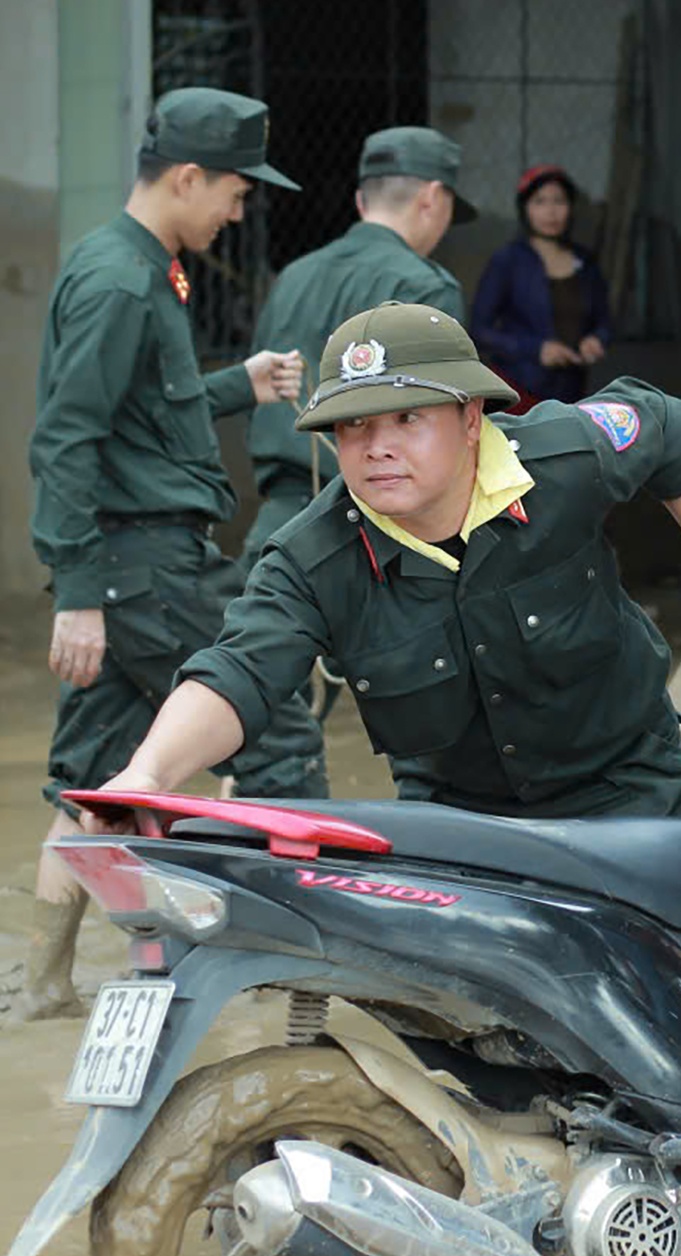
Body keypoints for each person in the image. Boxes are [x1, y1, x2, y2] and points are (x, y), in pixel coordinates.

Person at [78, 301, 681, 1117]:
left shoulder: (562, 453)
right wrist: (147, 773)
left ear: (471, 416)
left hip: (623, 792)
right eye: (352, 427)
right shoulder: (315, 557)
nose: (377, 447)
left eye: (408, 418)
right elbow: (237, 672)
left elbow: (668, 430)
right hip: (459, 822)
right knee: (503, 1051)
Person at [21, 87, 329, 1021]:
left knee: (97, 772)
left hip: (126, 565)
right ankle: (296, 988)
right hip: (143, 565)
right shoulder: (123, 280)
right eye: (234, 192)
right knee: (270, 721)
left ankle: (41, 986)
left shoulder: (137, 267)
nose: (238, 211)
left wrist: (241, 385)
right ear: (187, 177)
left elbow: (143, 408)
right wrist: (78, 590)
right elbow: (67, 437)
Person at [241, 125, 475, 573]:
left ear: (361, 202)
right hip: (375, 535)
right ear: (432, 199)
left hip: (277, 527)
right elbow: (437, 420)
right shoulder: (424, 285)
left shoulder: (294, 276)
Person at [471, 164, 613, 406]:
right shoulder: (508, 261)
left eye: (559, 201)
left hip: (573, 389)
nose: (551, 212)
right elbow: (479, 330)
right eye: (540, 202)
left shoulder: (585, 262)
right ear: (525, 209)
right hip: (518, 390)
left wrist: (597, 339)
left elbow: (605, 320)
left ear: (571, 208)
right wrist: (536, 349)